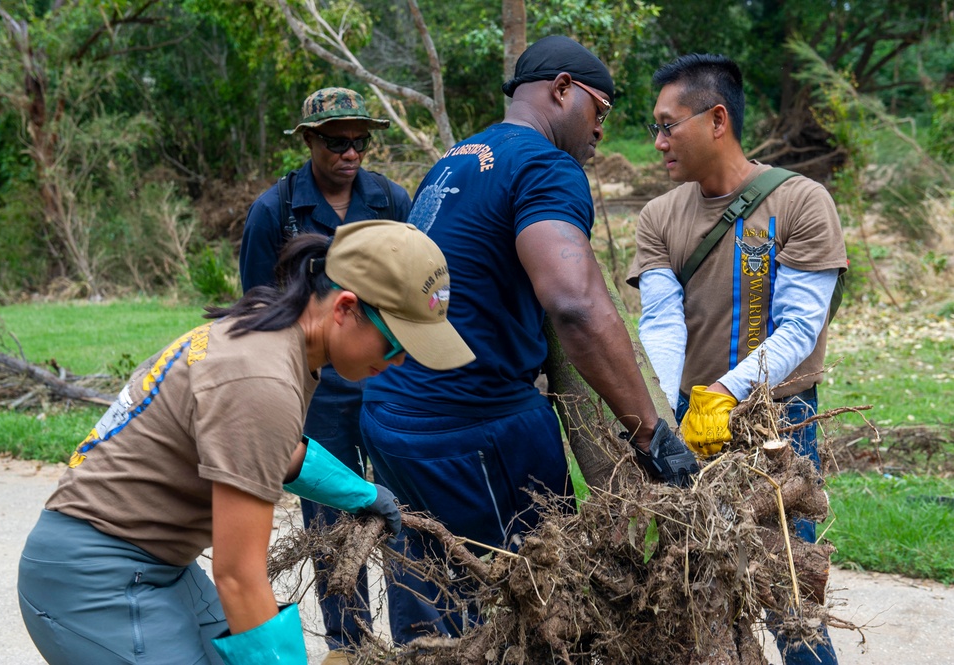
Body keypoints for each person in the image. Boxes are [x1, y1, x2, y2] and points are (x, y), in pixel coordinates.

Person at [359, 35, 700, 645]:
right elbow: (573, 302)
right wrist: (649, 432)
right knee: (548, 604)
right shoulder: (545, 165)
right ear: (562, 89)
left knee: (434, 602)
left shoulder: (455, 158)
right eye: (600, 110)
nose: (601, 129)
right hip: (468, 425)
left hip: (390, 415)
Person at [17, 220, 474, 665]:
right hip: (94, 580)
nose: (398, 362)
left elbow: (270, 450)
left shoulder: (271, 335)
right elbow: (239, 577)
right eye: (396, 344)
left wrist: (363, 494)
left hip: (156, 565)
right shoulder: (263, 379)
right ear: (344, 309)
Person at [626, 53, 847, 665]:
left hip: (777, 423)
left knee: (786, 592)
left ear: (716, 118)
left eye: (668, 125)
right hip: (695, 428)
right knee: (697, 591)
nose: (658, 142)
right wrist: (679, 403)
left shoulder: (801, 202)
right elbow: (663, 318)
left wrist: (726, 392)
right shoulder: (659, 216)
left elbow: (801, 325)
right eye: (655, 127)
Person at [239, 86, 412, 664]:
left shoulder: (391, 200)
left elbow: (418, 294)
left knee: (402, 511)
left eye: (360, 140)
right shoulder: (275, 209)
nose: (351, 152)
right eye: (337, 141)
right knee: (334, 517)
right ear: (310, 140)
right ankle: (351, 645)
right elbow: (257, 310)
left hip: (386, 383)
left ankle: (419, 639)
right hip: (318, 391)